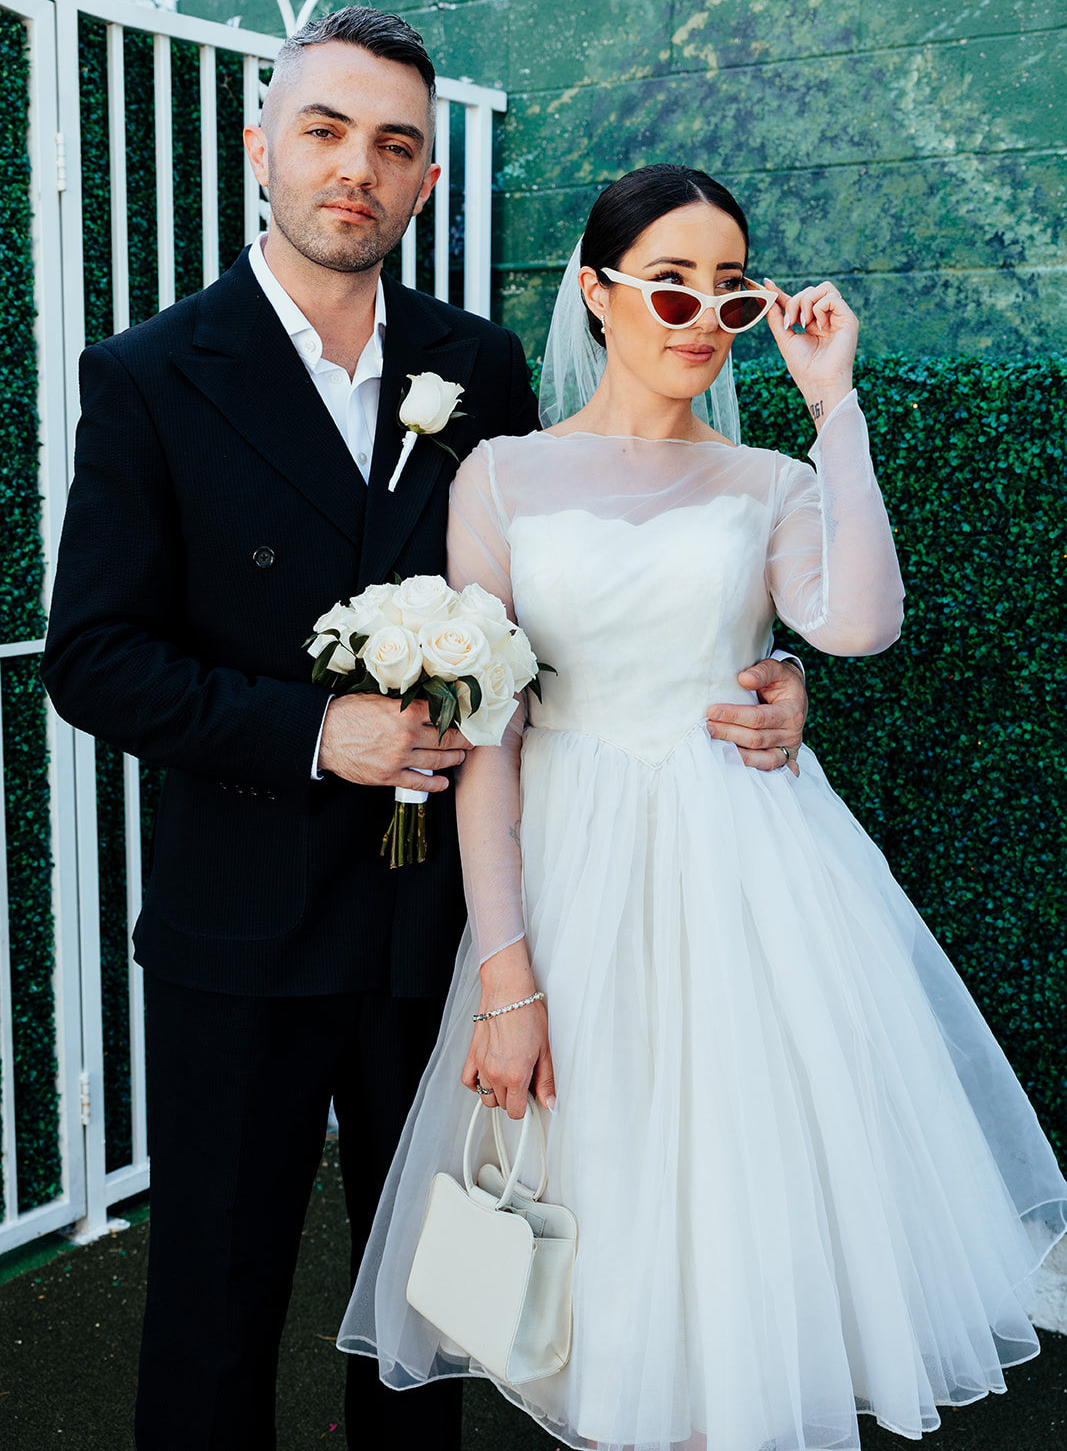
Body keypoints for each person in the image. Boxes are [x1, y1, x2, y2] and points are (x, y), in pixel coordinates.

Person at [40, 12, 806, 1451]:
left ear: (426, 182)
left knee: (439, 1323)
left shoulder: (479, 367)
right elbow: (93, 660)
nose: (356, 169)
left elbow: (565, 624)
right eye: (326, 131)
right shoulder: (149, 375)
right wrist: (315, 734)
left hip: (442, 936)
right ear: (262, 145)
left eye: (394, 145)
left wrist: (766, 677)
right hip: (241, 937)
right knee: (212, 1311)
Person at [338, 164, 1067, 1451]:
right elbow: (490, 741)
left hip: (748, 881)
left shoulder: (767, 480)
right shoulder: (499, 480)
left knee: (748, 1221)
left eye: (728, 296)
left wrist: (831, 406)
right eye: (669, 285)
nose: (697, 317)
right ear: (595, 293)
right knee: (607, 1233)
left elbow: (854, 624)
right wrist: (506, 975)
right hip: (573, 883)